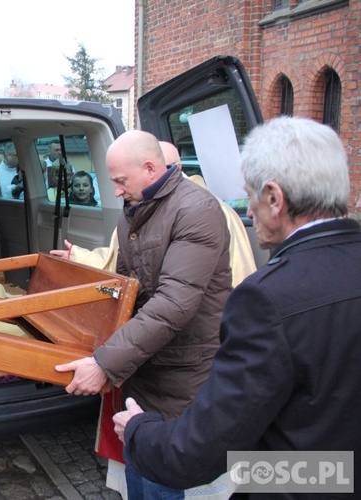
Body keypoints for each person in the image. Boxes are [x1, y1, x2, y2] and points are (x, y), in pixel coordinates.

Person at [113, 117, 361, 495]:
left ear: (275, 199)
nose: (248, 213)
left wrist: (139, 430)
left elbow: (197, 453)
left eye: (251, 196)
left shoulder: (267, 298)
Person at [54, 130, 232, 499]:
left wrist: (104, 363)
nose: (116, 191)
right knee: (139, 481)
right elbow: (127, 292)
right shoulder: (134, 211)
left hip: (181, 376)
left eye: (120, 181)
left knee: (161, 484)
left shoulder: (196, 209)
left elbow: (173, 304)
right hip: (144, 369)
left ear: (150, 168)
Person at [53, 141, 256, 287]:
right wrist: (79, 256)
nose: (118, 191)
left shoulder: (207, 212)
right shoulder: (142, 207)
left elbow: (180, 293)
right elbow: (126, 258)